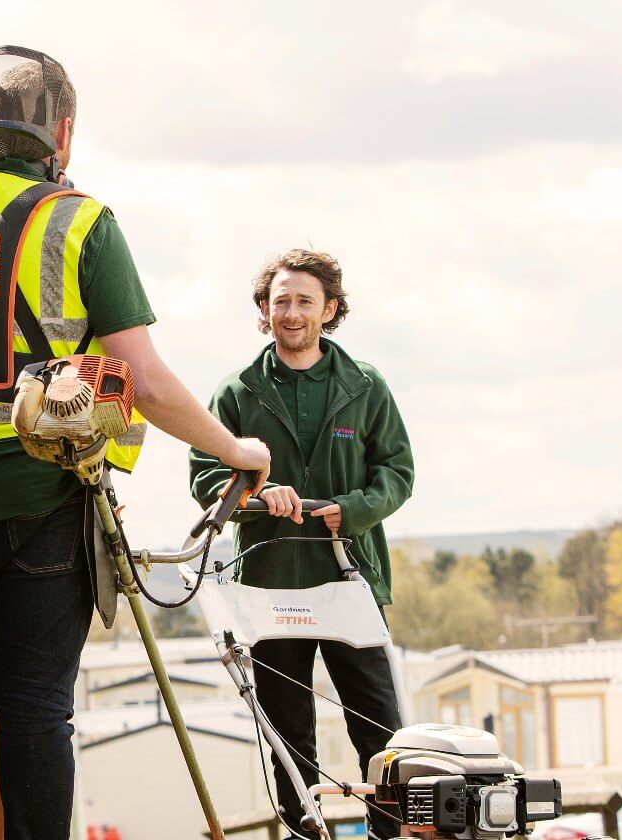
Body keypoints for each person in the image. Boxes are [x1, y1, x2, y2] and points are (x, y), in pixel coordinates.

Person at [0, 46, 270, 840]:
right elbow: (144, 383)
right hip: (47, 498)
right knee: (38, 707)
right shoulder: (84, 223)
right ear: (63, 135)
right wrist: (235, 449)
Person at [189, 248, 414, 839]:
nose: (291, 312)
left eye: (304, 301)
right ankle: (304, 831)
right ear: (264, 310)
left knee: (382, 730)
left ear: (330, 309)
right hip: (272, 581)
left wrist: (356, 509)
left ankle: (389, 831)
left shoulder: (365, 386)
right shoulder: (237, 392)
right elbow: (206, 477)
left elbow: (397, 472)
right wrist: (261, 494)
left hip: (350, 576)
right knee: (289, 734)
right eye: (280, 301)